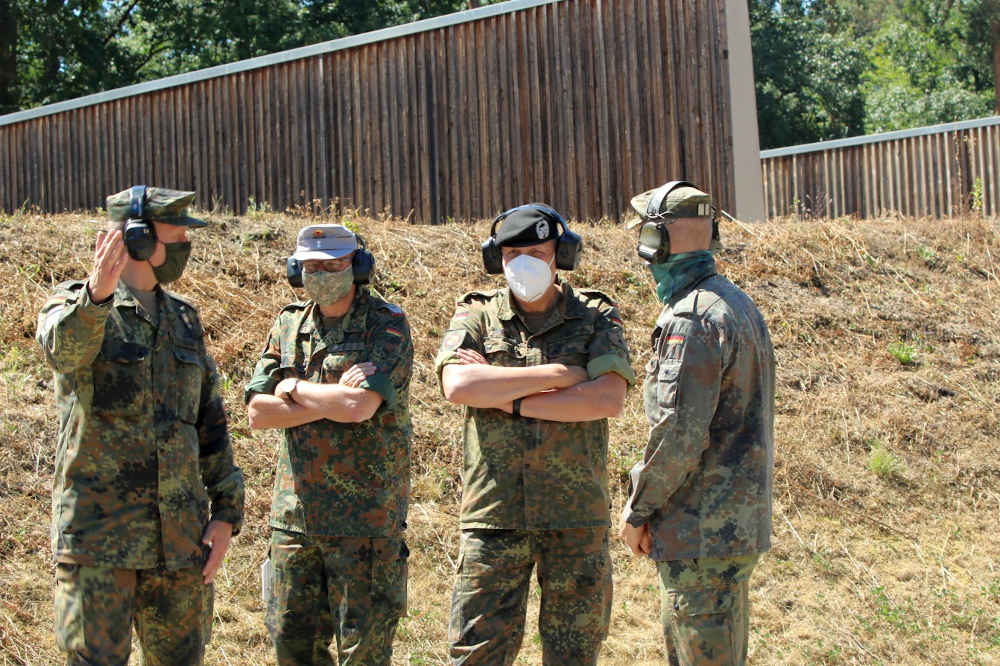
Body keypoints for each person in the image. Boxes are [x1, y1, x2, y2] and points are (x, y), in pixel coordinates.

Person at [36, 185, 245, 665]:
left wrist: (226, 513)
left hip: (178, 545)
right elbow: (63, 353)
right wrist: (96, 294)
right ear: (138, 239)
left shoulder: (184, 320)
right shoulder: (75, 305)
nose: (184, 247)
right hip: (99, 544)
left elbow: (209, 422)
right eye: (177, 236)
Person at [435, 204, 635, 665]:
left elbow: (607, 398)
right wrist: (563, 373)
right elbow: (459, 385)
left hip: (574, 518)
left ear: (559, 254)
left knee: (574, 655)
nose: (523, 262)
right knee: (476, 654)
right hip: (494, 514)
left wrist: (509, 397)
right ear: (496, 258)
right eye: (512, 253)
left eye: (536, 251)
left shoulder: (595, 314)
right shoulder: (477, 313)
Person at [619, 181, 775, 666]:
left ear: (656, 242)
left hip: (700, 532)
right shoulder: (734, 302)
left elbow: (679, 436)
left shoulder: (691, 319)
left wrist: (637, 511)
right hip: (727, 529)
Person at [245, 224, 413, 665]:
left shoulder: (386, 324)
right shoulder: (287, 324)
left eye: (333, 265)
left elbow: (361, 407)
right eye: (310, 267)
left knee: (365, 655)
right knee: (292, 647)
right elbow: (258, 413)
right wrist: (331, 398)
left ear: (357, 267)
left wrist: (293, 388)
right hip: (295, 521)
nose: (320, 274)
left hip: (366, 524)